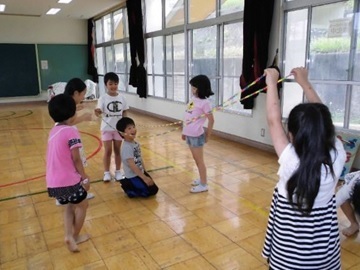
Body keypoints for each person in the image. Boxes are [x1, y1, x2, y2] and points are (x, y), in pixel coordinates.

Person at [262, 67, 346, 270]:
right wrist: (305, 83)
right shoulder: (338, 154)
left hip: (286, 257)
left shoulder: (290, 160)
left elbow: (273, 121)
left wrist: (272, 82)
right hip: (323, 257)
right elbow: (321, 119)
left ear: (291, 135)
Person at [46, 94, 91, 252]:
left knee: (70, 206)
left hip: (54, 183)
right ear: (72, 114)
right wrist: (84, 178)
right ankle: (75, 236)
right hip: (68, 181)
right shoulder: (71, 132)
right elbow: (76, 159)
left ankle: (67, 235)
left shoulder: (54, 131)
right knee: (83, 205)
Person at [52, 78, 95, 205]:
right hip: (67, 134)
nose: (84, 96)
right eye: (82, 94)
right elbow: (68, 122)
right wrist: (84, 117)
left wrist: (77, 108)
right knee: (75, 162)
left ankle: (63, 194)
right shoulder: (68, 103)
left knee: (67, 164)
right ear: (76, 93)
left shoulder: (66, 101)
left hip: (61, 134)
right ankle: (77, 192)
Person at [182, 75, 215, 193]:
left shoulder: (205, 103)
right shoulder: (193, 99)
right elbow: (188, 116)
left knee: (199, 160)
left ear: (197, 88)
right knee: (196, 159)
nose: (191, 89)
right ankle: (202, 179)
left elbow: (211, 120)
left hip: (196, 135)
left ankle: (204, 184)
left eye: (193, 87)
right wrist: (184, 132)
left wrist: (208, 135)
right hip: (189, 134)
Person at [95, 72, 129, 182]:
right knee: (108, 151)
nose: (113, 86)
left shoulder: (122, 98)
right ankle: (106, 172)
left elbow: (125, 112)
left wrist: (125, 127)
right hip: (106, 129)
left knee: (118, 150)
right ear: (106, 85)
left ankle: (118, 171)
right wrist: (98, 111)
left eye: (115, 83)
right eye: (110, 84)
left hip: (118, 130)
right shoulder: (103, 98)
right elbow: (98, 111)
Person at [116, 117, 158, 197]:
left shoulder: (136, 143)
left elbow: (139, 158)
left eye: (133, 127)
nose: (133, 130)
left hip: (139, 172)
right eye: (129, 128)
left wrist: (145, 172)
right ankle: (127, 185)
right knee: (148, 192)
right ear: (122, 133)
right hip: (132, 175)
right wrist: (144, 178)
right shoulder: (127, 147)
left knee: (154, 189)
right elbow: (132, 165)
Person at [336, 170, 360, 237]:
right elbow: (336, 201)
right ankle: (354, 224)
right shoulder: (352, 185)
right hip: (353, 186)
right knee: (344, 200)